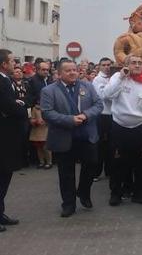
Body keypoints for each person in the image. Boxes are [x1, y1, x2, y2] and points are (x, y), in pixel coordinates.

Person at [41, 60, 103, 218]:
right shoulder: (49, 91)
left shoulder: (87, 86)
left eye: (74, 70)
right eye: (68, 71)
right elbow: (47, 113)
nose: (72, 73)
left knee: (91, 165)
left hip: (87, 136)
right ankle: (68, 204)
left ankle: (83, 191)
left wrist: (86, 115)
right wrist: (69, 120)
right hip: (64, 137)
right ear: (60, 73)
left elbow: (98, 105)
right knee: (66, 173)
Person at [103, 55, 142, 207]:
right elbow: (106, 95)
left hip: (139, 126)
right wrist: (121, 77)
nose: (137, 65)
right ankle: (116, 193)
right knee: (117, 162)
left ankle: (139, 193)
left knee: (140, 163)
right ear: (126, 65)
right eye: (133, 62)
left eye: (140, 63)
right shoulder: (118, 77)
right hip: (119, 125)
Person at [0, 49, 29, 232]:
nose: (15, 64)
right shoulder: (1, 81)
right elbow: (8, 106)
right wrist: (22, 109)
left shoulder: (6, 79)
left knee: (5, 176)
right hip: (4, 136)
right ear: (4, 64)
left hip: (9, 136)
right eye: (12, 61)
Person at [92, 57, 113, 180]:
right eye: (104, 65)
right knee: (100, 145)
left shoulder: (114, 77)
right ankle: (96, 172)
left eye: (109, 64)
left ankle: (110, 170)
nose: (107, 67)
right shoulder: (97, 80)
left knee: (111, 144)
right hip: (102, 115)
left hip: (113, 114)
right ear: (99, 66)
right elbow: (104, 96)